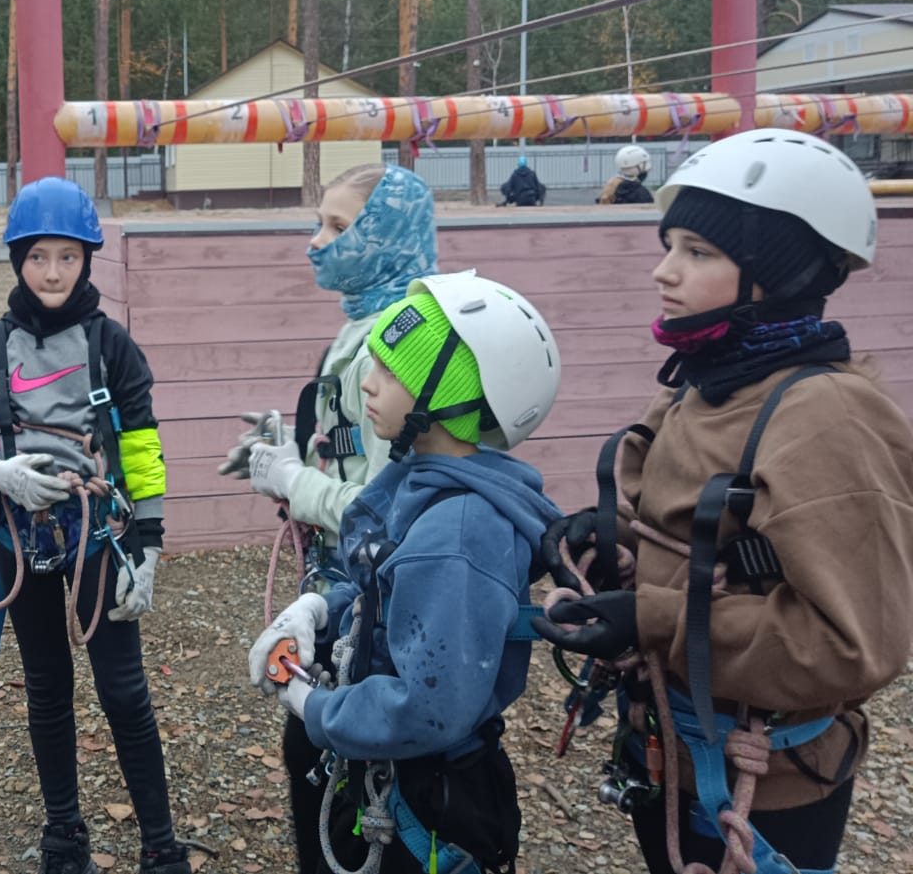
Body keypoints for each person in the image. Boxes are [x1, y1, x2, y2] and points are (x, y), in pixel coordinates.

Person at [535, 129, 913, 874]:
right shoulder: (704, 381)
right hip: (669, 750)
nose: (662, 270)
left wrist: (649, 615)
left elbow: (852, 643)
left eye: (697, 252)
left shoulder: (826, 417)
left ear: (778, 273)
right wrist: (607, 542)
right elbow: (691, 537)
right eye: (669, 244)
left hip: (757, 789)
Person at [249, 271, 562, 874]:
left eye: (391, 372)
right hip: (394, 773)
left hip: (423, 800)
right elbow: (382, 583)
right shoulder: (422, 481)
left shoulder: (456, 537)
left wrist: (312, 706)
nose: (368, 383)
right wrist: (320, 609)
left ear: (452, 395)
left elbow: (426, 707)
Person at [0, 177, 190, 874]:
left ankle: (159, 842)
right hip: (20, 541)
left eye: (67, 257)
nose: (52, 272)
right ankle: (63, 835)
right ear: (18, 259)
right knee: (48, 688)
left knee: (124, 691)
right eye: (38, 257)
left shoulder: (112, 346)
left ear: (87, 260)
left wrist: (148, 546)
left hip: (98, 538)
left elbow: (141, 448)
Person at [217, 162, 438, 873]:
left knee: (329, 773)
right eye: (319, 221)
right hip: (343, 590)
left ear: (386, 234)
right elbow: (350, 454)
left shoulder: (395, 344)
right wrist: (298, 444)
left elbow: (387, 508)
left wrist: (295, 480)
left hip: (372, 605)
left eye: (338, 227)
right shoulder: (374, 323)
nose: (318, 241)